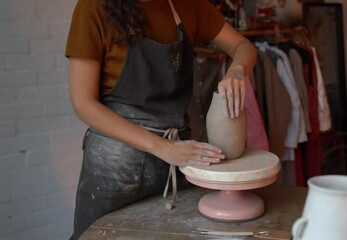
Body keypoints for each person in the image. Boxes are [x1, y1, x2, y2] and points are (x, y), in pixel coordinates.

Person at [65, 0, 257, 238]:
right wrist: (162, 147)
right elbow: (83, 104)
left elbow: (243, 46)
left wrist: (237, 69)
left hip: (176, 159)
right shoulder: (93, 8)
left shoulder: (189, 5)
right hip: (115, 167)